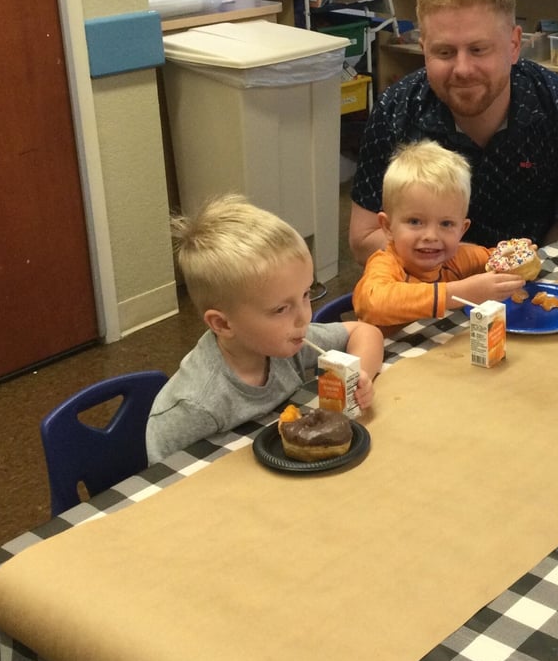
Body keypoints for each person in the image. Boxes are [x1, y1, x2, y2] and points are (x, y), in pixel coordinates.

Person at [348, 0, 558, 264]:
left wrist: (521, 273)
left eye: (479, 49)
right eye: (444, 52)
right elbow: (363, 237)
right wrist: (465, 274)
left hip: (530, 282)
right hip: (424, 283)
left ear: (513, 45)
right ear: (424, 48)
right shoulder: (394, 112)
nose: (463, 69)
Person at [146, 194, 384, 464]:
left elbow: (365, 332)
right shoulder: (196, 406)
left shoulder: (286, 342)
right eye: (281, 309)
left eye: (306, 294)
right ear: (223, 324)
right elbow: (167, 486)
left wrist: (359, 375)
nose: (303, 317)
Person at [352, 139, 527, 327]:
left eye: (446, 224)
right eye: (415, 221)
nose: (431, 236)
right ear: (387, 227)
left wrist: (520, 256)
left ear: (462, 230)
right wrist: (460, 293)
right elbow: (373, 304)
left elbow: (496, 258)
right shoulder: (386, 264)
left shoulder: (458, 258)